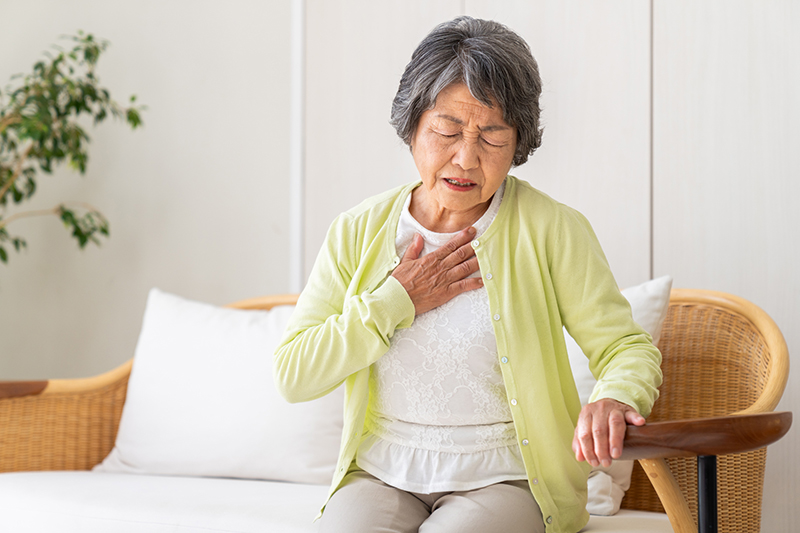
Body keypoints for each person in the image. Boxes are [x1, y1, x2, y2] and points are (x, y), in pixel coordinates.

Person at [274, 16, 662, 533]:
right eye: (447, 131)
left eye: (492, 136)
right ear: (412, 127)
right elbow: (295, 374)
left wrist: (614, 397)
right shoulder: (357, 230)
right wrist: (396, 299)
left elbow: (626, 348)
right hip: (380, 472)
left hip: (506, 477)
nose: (466, 157)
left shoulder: (552, 229)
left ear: (519, 142)